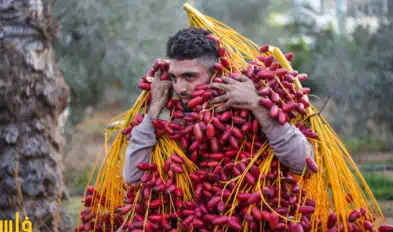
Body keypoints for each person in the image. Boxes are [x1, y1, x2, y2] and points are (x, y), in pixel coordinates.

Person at [123, 28, 313, 185]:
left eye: (189, 76)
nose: (179, 88)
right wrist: (154, 109)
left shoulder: (259, 101)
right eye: (174, 77)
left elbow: (304, 164)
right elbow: (133, 179)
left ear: (216, 72)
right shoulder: (175, 122)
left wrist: (257, 105)